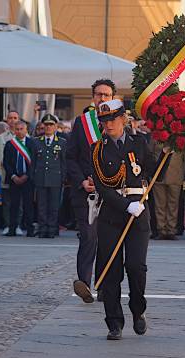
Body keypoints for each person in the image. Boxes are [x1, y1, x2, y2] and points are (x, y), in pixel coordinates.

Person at [91, 99, 155, 340]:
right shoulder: (97, 150)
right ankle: (114, 322)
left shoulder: (140, 143)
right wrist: (125, 205)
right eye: (103, 121)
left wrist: (169, 150)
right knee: (112, 270)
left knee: (136, 267)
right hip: (113, 213)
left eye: (111, 120)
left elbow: (153, 169)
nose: (107, 125)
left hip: (138, 213)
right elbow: (102, 187)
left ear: (123, 120)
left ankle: (138, 310)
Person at [65, 78, 114, 302]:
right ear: (92, 97)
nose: (102, 98)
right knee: (88, 235)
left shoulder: (120, 123)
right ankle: (84, 283)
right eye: (98, 94)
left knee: (107, 239)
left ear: (113, 97)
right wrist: (81, 181)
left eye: (106, 95)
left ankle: (104, 284)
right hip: (86, 192)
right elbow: (70, 157)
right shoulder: (81, 122)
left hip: (113, 193)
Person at [32, 114, 66, 238]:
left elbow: (64, 163)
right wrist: (33, 177)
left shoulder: (62, 142)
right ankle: (42, 229)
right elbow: (33, 162)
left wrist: (63, 178)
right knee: (41, 206)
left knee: (54, 206)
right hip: (40, 178)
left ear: (56, 126)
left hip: (56, 179)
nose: (48, 127)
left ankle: (52, 229)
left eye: (51, 125)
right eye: (46, 125)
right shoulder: (36, 142)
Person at [3, 120, 35, 237]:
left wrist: (27, 175)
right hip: (14, 179)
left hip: (28, 179)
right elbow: (6, 162)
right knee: (14, 205)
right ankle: (12, 228)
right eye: (17, 129)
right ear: (14, 130)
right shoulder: (10, 144)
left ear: (26, 130)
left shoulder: (32, 143)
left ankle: (30, 229)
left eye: (22, 129)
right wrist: (13, 176)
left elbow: (35, 162)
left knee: (28, 205)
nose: (19, 131)